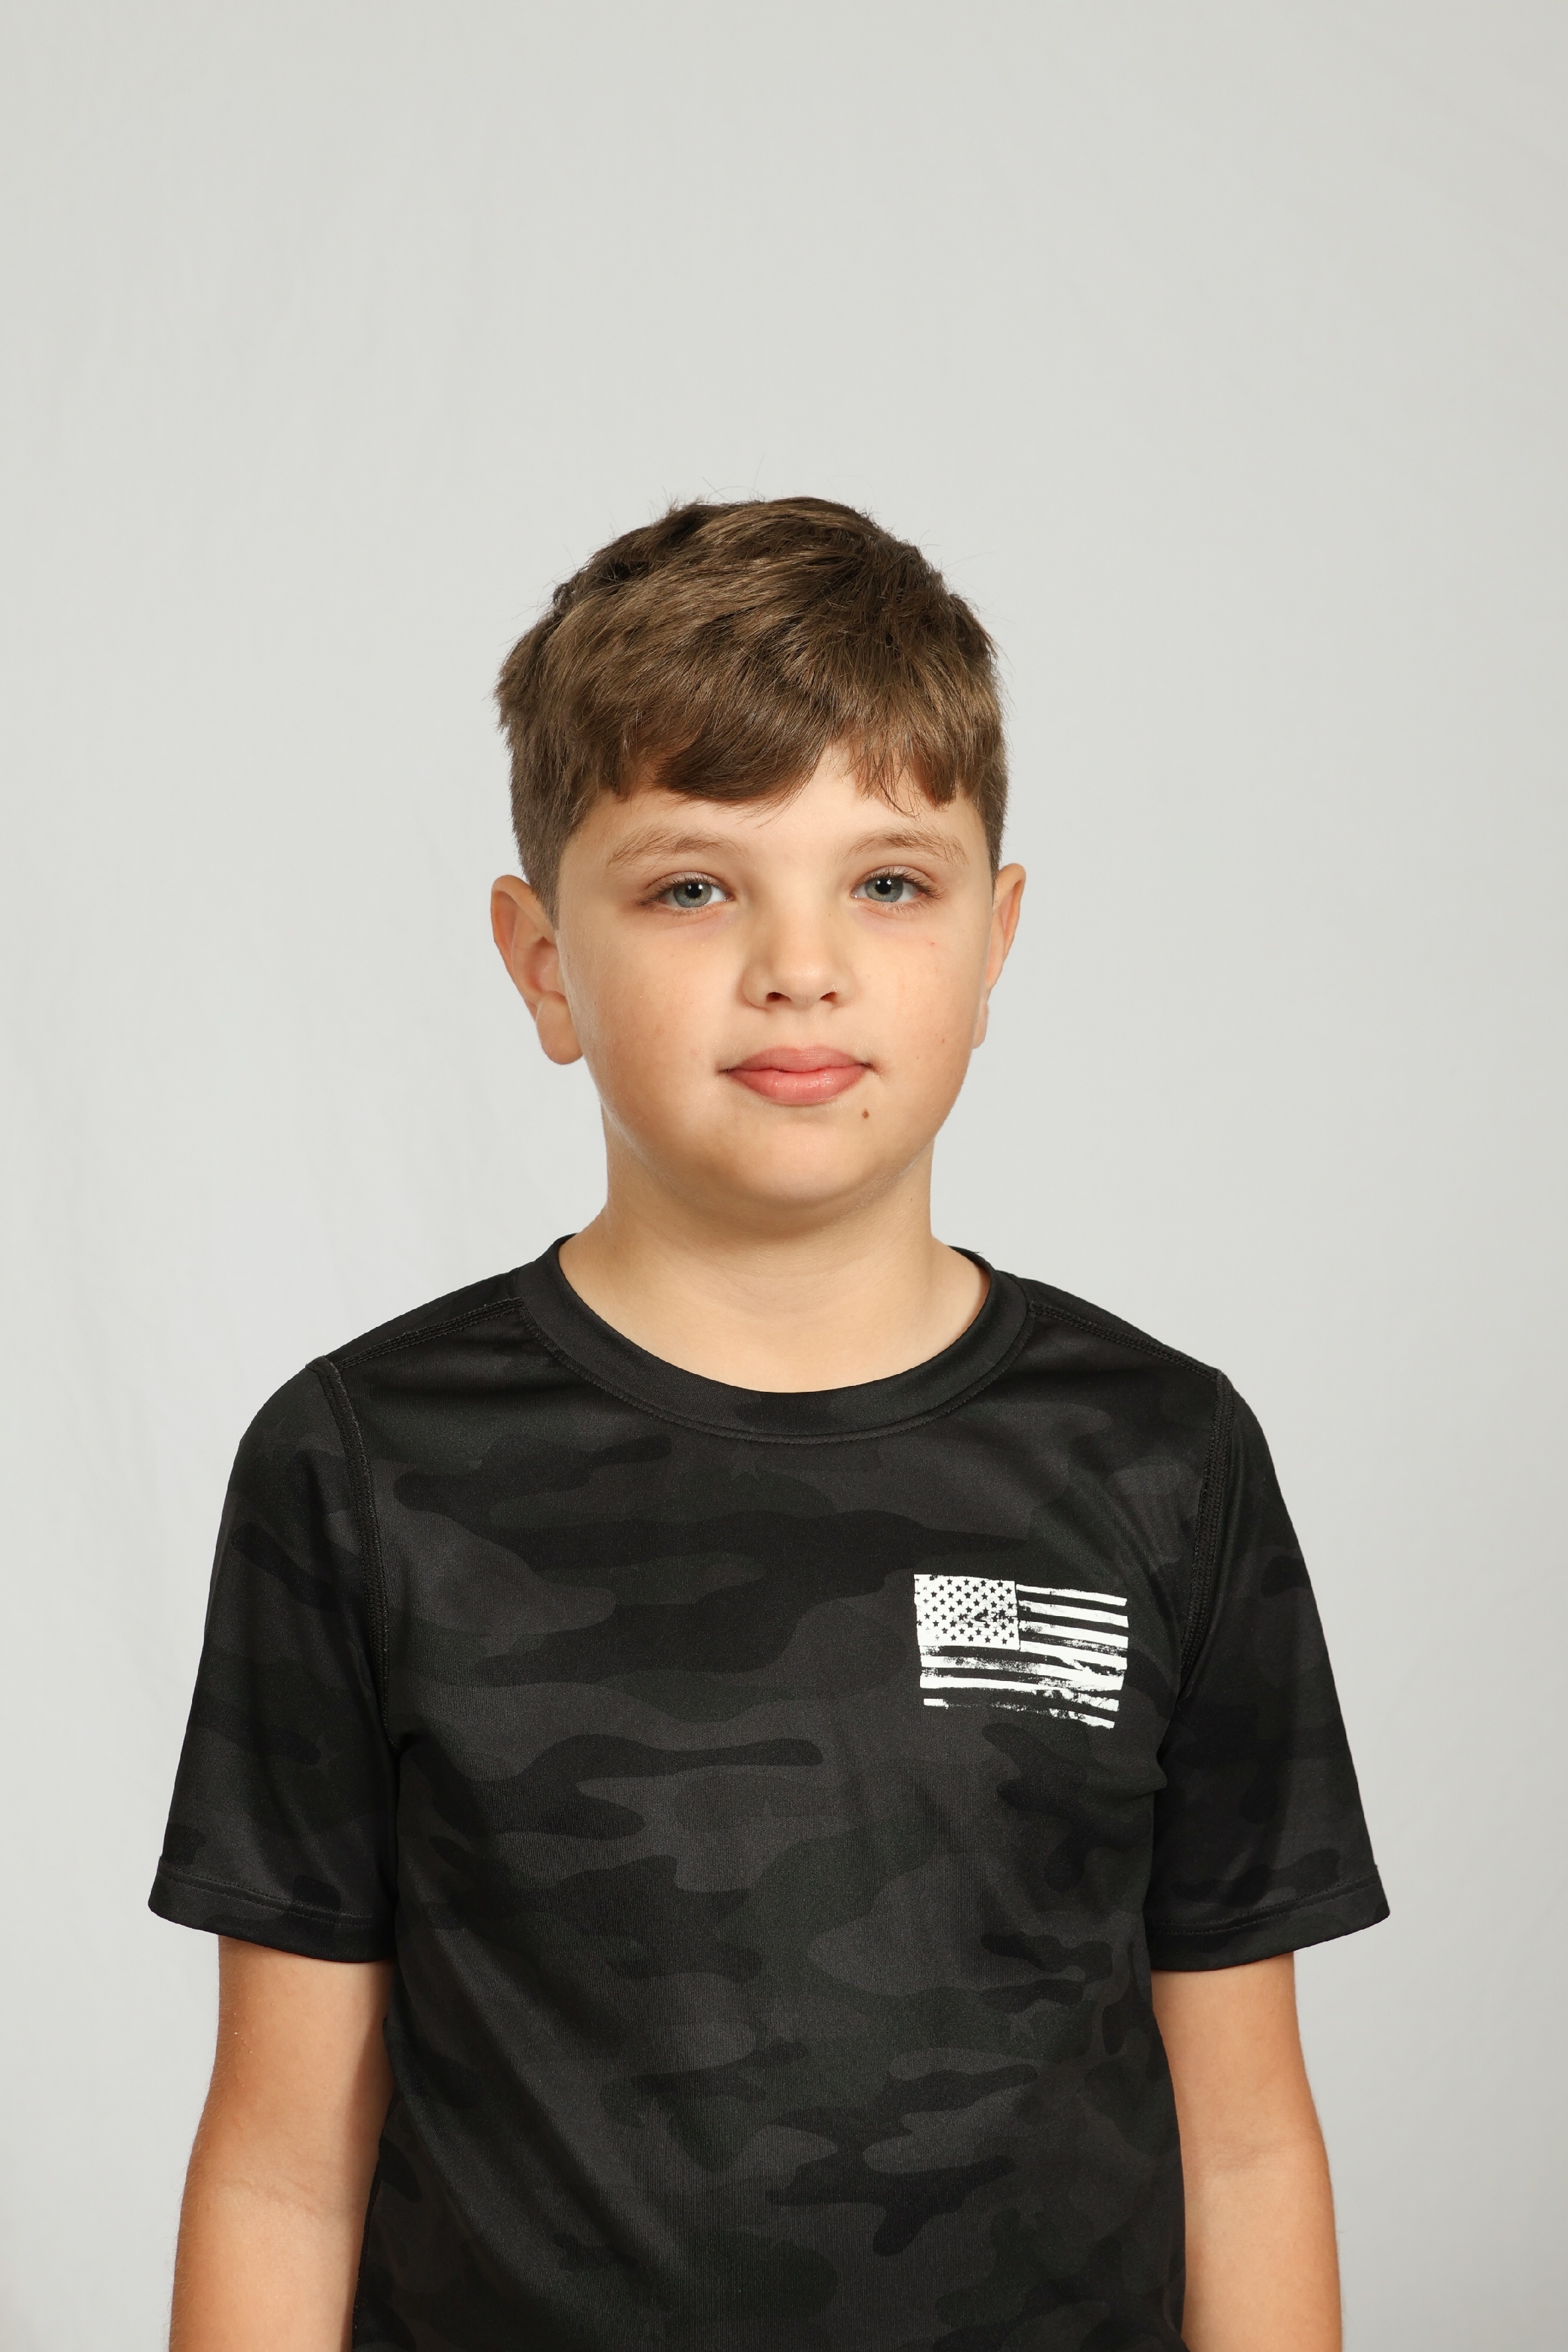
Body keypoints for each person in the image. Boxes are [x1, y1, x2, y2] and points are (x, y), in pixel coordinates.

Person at [151, 497, 1387, 2352]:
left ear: (996, 939)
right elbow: (281, 2163)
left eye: (888, 883)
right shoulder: (360, 1466)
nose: (800, 964)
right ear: (542, 961)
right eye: (692, 887)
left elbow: (1248, 2140)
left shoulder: (1161, 1459)